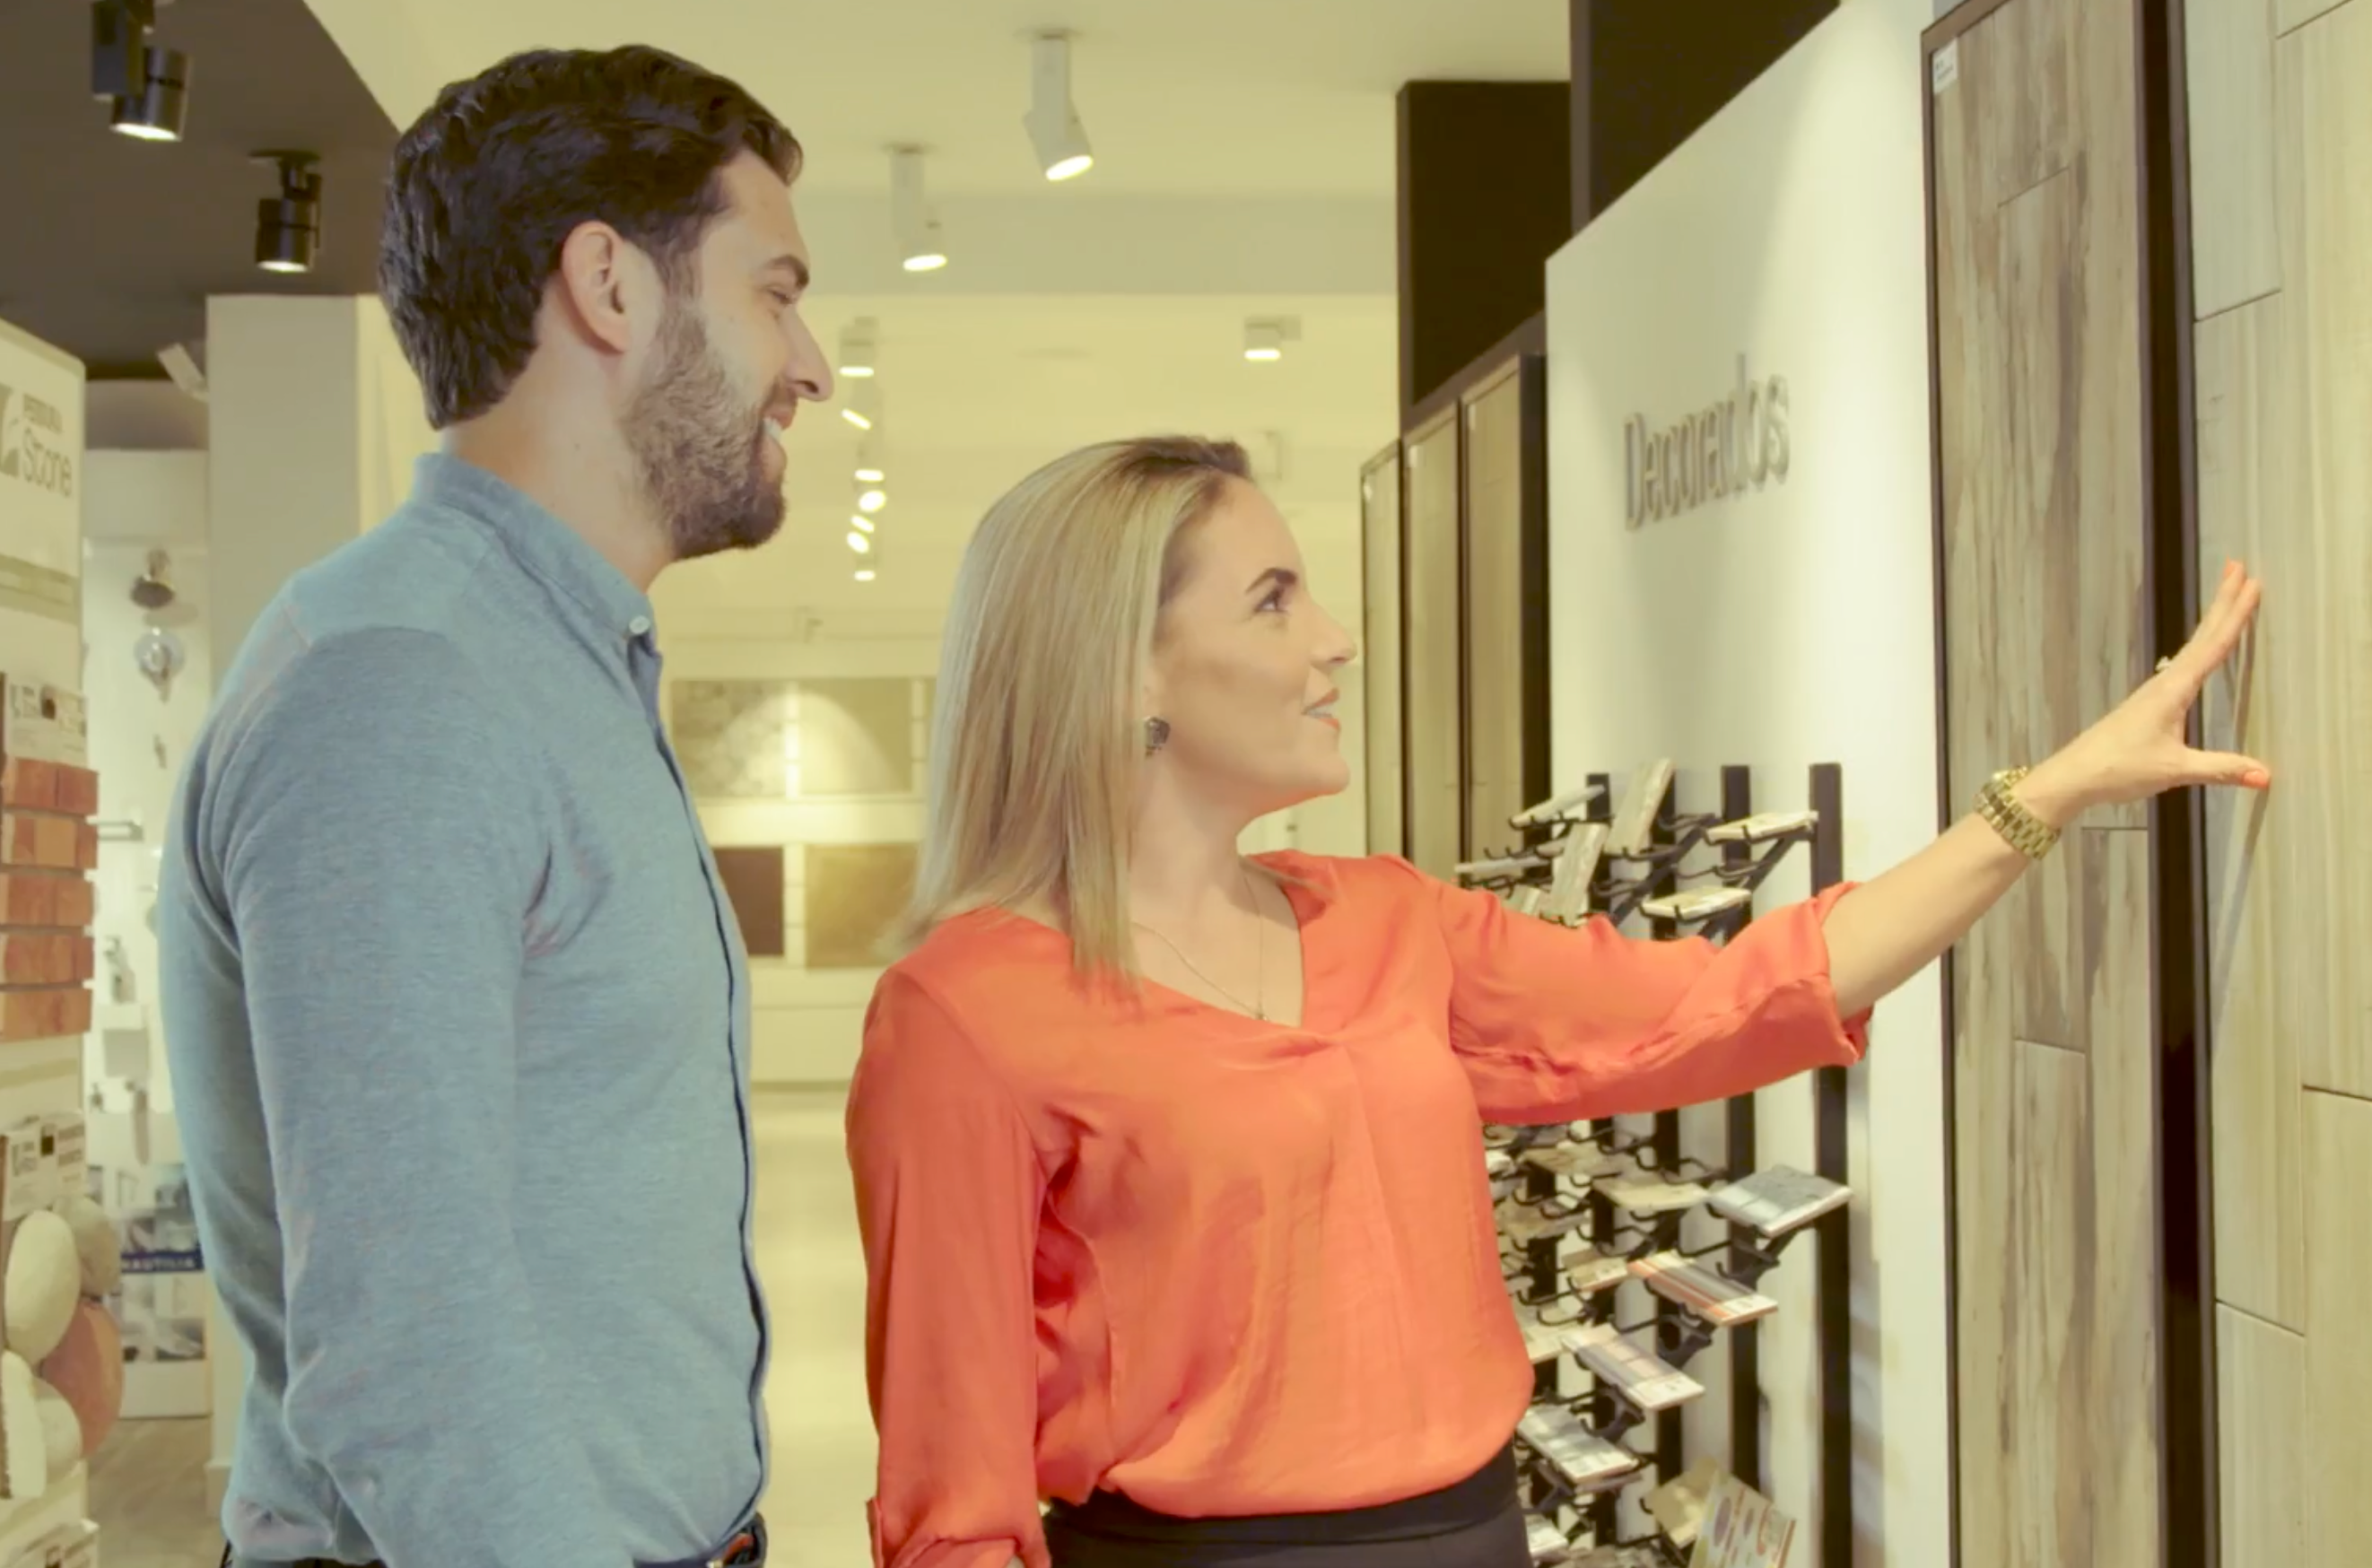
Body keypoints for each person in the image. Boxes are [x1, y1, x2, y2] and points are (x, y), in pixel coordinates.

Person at [843, 436, 2268, 1567]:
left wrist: (2053, 791)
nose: (1336, 639)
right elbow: (952, 1499)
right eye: (1274, 600)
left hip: (1475, 1536)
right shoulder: (967, 1014)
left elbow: (1730, 997)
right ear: (1122, 668)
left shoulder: (1386, 920)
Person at [157, 44, 830, 1568]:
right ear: (610, 285)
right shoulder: (405, 682)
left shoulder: (543, 659)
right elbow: (407, 1347)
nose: (810, 364)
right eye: (774, 293)